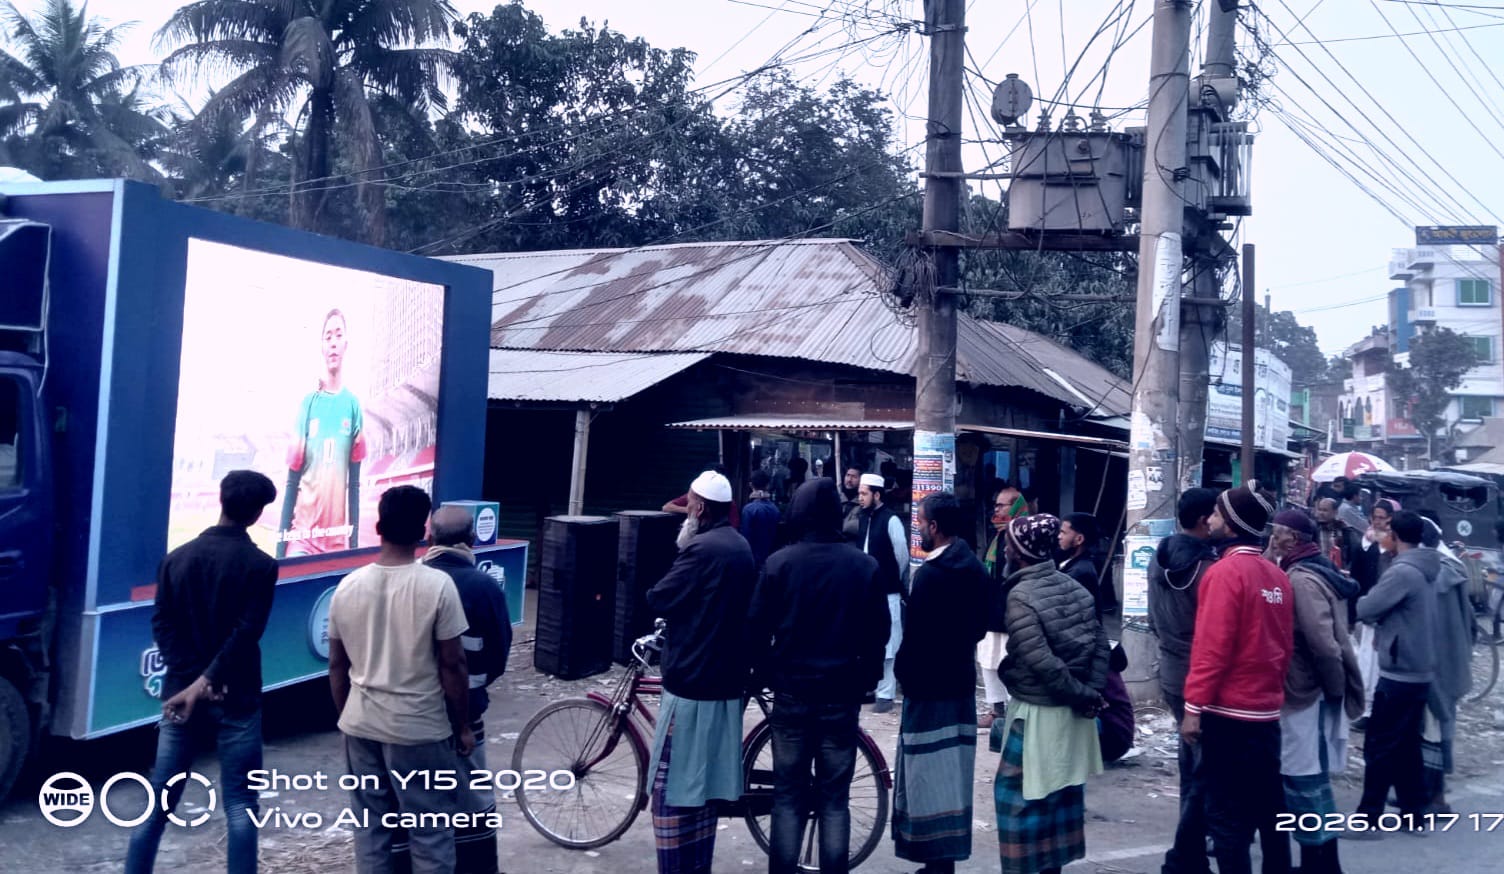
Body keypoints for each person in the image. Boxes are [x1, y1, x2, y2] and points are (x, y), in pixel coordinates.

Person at [127, 471, 279, 874]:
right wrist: (207, 681)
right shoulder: (261, 566)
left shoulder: (176, 559)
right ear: (257, 513)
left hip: (180, 697)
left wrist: (192, 681)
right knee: (241, 806)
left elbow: (162, 624)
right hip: (236, 696)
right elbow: (246, 632)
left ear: (221, 500)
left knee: (158, 805)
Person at [327, 486, 473, 873]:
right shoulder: (437, 586)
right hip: (419, 728)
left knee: (370, 830)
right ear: (423, 531)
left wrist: (347, 717)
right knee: (430, 831)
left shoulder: (347, 586)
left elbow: (337, 666)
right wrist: (462, 726)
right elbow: (453, 665)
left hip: (361, 726)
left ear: (378, 527)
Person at [748, 478, 889, 874]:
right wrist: (866, 679)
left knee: (788, 796)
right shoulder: (863, 566)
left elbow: (755, 629)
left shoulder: (780, 563)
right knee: (834, 800)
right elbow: (878, 633)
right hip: (842, 695)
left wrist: (767, 672)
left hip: (791, 694)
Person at [644, 470, 757, 874]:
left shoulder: (701, 549)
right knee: (705, 791)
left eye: (690, 501)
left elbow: (662, 597)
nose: (687, 507)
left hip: (693, 683)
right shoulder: (740, 546)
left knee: (672, 793)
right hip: (726, 682)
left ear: (701, 508)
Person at [1180, 481, 1293, 874]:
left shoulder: (1225, 573)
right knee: (1270, 811)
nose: (1209, 520)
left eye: (1216, 513)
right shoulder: (1276, 575)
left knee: (1227, 817)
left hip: (1228, 714)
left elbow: (1211, 648)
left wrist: (1193, 708)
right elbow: (1283, 646)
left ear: (1231, 523)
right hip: (1266, 713)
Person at [994, 513, 1109, 874]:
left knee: (1019, 804)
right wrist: (1090, 692)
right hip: (1073, 713)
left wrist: (1084, 694)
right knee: (1059, 802)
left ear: (1018, 551)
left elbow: (1042, 662)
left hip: (1038, 712)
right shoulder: (1074, 586)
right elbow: (1101, 644)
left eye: (1009, 544)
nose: (1005, 550)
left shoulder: (1021, 595)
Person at [891, 492, 989, 874]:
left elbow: (915, 637)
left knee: (924, 776)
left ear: (934, 526)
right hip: (959, 684)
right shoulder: (974, 567)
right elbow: (979, 626)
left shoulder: (930, 576)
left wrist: (904, 674)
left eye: (920, 521)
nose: (917, 527)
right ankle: (942, 860)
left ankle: (935, 862)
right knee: (951, 777)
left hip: (927, 690)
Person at [1267, 509, 1363, 874]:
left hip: (1304, 690)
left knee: (1305, 778)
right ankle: (1325, 863)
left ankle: (1317, 863)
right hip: (1313, 689)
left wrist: (1335, 689)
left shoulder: (1301, 580)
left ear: (1291, 538)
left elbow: (1323, 645)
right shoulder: (1315, 569)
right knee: (1312, 777)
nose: (1272, 539)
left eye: (1276, 533)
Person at [421, 506, 514, 874]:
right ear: (472, 539)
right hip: (466, 714)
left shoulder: (414, 580)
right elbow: (499, 654)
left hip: (415, 715)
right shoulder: (484, 586)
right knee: (471, 800)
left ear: (430, 537)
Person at [1147, 487, 1220, 874]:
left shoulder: (1159, 557)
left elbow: (1154, 618)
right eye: (1217, 514)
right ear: (1204, 520)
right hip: (1199, 671)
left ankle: (1193, 836)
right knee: (1206, 765)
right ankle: (1190, 846)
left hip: (1171, 667)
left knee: (1190, 757)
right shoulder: (1207, 569)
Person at [1352, 510, 1437, 831]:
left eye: (1386, 531)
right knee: (1406, 745)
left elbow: (1366, 607)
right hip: (1419, 668)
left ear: (1396, 536)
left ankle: (1368, 817)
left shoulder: (1402, 571)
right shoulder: (1429, 567)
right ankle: (1414, 813)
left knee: (1380, 745)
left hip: (1399, 671)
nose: (1381, 535)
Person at [277, 308, 365, 558]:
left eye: (338, 335)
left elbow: (354, 485)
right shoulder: (308, 404)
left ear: (346, 344)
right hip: (302, 540)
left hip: (336, 542)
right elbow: (292, 482)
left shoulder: (353, 406)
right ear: (322, 347)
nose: (333, 342)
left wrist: (353, 548)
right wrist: (280, 551)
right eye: (328, 337)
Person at [1419, 517, 1475, 817]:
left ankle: (1435, 798)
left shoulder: (1436, 573)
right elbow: (1471, 623)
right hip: (1450, 661)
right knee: (1436, 728)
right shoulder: (1450, 567)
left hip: (1435, 665)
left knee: (1433, 729)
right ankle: (1428, 794)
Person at [853, 472, 907, 713]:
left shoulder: (891, 520)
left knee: (889, 644)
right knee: (865, 640)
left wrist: (890, 577)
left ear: (877, 495)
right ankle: (868, 688)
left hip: (887, 592)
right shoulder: (862, 517)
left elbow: (901, 555)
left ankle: (885, 694)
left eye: (864, 493)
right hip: (864, 592)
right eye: (859, 493)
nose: (860, 497)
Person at [979, 483, 1030, 729]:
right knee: (988, 661)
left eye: (1002, 505)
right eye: (996, 505)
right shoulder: (1000, 535)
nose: (996, 509)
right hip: (993, 610)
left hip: (1013, 612)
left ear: (1016, 506)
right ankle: (996, 710)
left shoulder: (1023, 536)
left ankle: (1015, 713)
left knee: (1010, 663)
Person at [1351, 498, 1400, 729]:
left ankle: (1377, 711)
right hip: (1369, 612)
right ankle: (1367, 710)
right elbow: (1358, 577)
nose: (1378, 522)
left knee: (1379, 666)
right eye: (1375, 517)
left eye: (1383, 518)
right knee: (1367, 664)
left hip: (1388, 615)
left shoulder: (1394, 546)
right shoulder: (1366, 543)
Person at [1058, 512, 1110, 617]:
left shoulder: (1079, 572)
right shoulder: (1076, 563)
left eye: (1063, 533)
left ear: (1079, 539)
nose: (1059, 536)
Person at [664, 464, 741, 529]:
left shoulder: (728, 504)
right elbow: (666, 507)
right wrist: (691, 510)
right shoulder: (695, 495)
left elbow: (733, 528)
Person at [742, 470, 782, 571]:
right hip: (771, 560)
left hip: (753, 561)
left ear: (751, 485)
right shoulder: (775, 509)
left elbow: (745, 537)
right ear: (767, 485)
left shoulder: (748, 510)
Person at [1314, 498, 1362, 574]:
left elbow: (1354, 554)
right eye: (1320, 510)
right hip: (1318, 571)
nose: (1321, 513)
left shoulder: (1345, 531)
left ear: (1335, 512)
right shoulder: (1314, 529)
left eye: (1325, 510)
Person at [841, 466, 863, 538]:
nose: (849, 480)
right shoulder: (836, 499)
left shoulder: (863, 503)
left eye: (854, 477)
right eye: (848, 475)